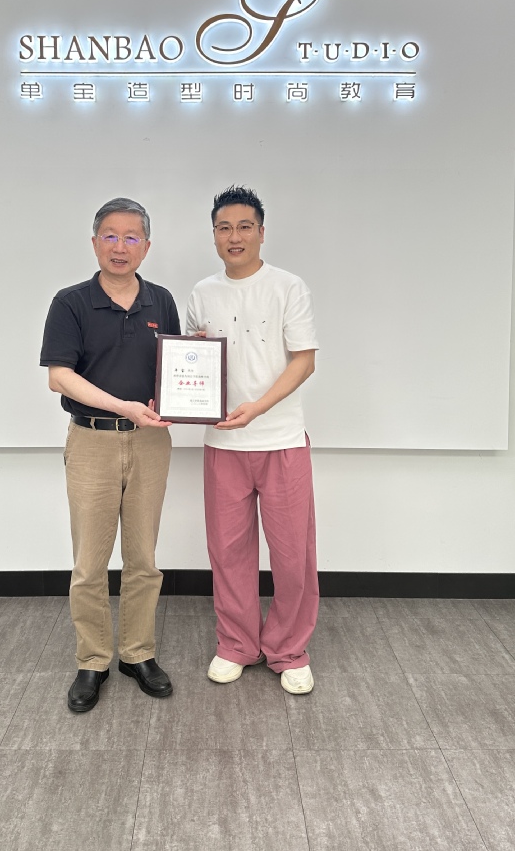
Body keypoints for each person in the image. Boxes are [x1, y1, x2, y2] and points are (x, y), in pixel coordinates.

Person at [40, 197, 180, 712]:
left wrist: (185, 390)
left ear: (147, 246)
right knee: (89, 563)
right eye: (111, 236)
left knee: (143, 559)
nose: (121, 247)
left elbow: (175, 368)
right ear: (95, 241)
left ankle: (138, 653)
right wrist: (122, 405)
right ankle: (93, 659)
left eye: (132, 237)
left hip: (150, 444)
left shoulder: (161, 301)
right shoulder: (71, 302)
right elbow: (60, 376)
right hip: (91, 441)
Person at [186, 185, 319, 694]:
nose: (234, 236)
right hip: (223, 444)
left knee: (292, 555)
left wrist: (258, 408)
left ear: (262, 233)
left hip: (281, 439)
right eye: (224, 228)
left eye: (244, 227)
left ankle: (289, 649)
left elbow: (304, 361)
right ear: (214, 236)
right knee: (228, 553)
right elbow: (192, 364)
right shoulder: (202, 293)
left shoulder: (288, 286)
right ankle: (236, 644)